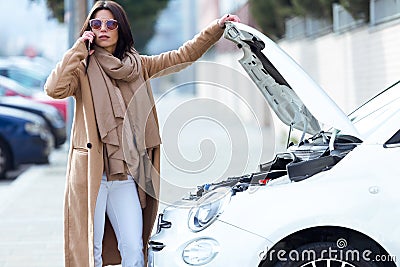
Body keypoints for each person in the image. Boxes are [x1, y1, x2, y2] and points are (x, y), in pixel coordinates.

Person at [44, 1, 240, 266]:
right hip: (92, 175)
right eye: (96, 24)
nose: (103, 29)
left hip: (125, 174)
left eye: (110, 24)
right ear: (89, 28)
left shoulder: (138, 66)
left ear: (120, 28)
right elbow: (54, 89)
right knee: (91, 251)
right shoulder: (82, 68)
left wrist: (215, 29)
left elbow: (182, 56)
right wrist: (80, 47)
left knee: (135, 249)